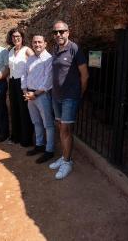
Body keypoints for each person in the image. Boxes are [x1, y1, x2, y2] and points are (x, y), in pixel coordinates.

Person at [49, 20, 88, 179]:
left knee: (66, 130)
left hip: (69, 97)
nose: (58, 34)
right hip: (56, 96)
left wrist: (79, 94)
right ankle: (64, 156)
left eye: (62, 31)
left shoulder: (75, 49)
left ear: (68, 32)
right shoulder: (55, 49)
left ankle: (67, 161)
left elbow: (85, 76)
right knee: (60, 127)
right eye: (55, 32)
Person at [22, 35, 55, 164]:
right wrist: (25, 91)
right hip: (30, 94)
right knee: (36, 122)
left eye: (40, 42)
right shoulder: (30, 59)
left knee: (48, 124)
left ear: (45, 43)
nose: (37, 44)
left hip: (42, 95)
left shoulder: (49, 59)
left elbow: (48, 80)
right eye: (35, 42)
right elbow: (24, 75)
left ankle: (49, 150)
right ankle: (40, 145)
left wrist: (35, 94)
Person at [6, 28, 34, 146]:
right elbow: (9, 69)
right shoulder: (11, 50)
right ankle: (15, 137)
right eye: (13, 36)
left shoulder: (27, 50)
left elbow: (35, 64)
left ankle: (25, 139)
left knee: (24, 111)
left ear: (22, 37)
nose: (16, 38)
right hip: (12, 83)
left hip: (23, 83)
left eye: (18, 36)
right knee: (14, 109)